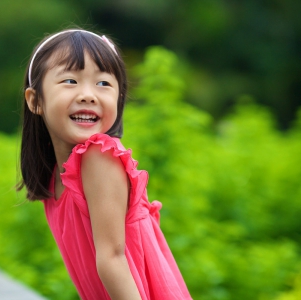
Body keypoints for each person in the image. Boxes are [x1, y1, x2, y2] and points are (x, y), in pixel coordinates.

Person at [17, 28, 192, 300]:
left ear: (119, 98)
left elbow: (112, 259)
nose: (88, 95)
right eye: (70, 81)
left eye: (103, 84)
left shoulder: (99, 156)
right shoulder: (55, 175)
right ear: (36, 100)